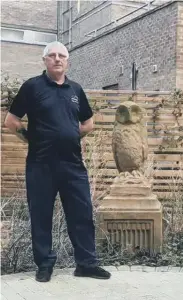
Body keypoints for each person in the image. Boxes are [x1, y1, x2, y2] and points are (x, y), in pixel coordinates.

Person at [4, 41, 111, 282]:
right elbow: (11, 121)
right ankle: (44, 264)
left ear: (67, 61)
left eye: (61, 55)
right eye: (52, 55)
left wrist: (71, 137)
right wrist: (31, 139)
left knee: (81, 213)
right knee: (41, 215)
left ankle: (86, 263)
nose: (57, 59)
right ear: (45, 60)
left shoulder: (76, 90)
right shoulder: (32, 87)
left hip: (72, 164)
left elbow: (88, 123)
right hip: (40, 164)